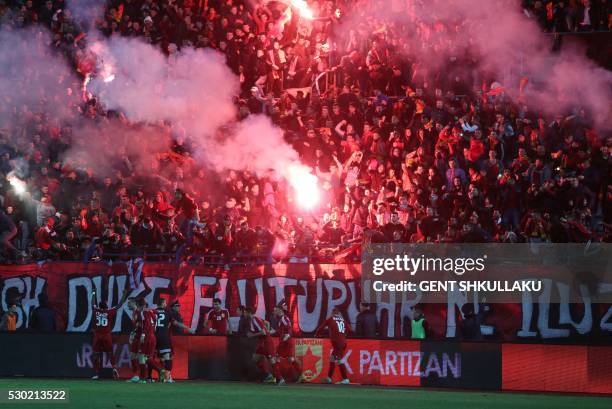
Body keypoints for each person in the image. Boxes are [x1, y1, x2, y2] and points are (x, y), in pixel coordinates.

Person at [91, 286, 129, 380]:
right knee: (110, 353)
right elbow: (119, 305)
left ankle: (96, 373)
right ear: (107, 306)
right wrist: (124, 294)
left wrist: (93, 293)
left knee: (96, 354)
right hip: (107, 336)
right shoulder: (109, 312)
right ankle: (114, 368)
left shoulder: (96, 311)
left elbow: (92, 303)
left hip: (97, 336)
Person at [154, 298, 194, 383]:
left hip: (154, 336)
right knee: (167, 357)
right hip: (164, 336)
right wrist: (188, 328)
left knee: (154, 357)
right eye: (165, 303)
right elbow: (175, 323)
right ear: (163, 303)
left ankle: (155, 376)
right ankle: (167, 377)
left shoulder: (152, 312)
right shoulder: (167, 312)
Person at [270, 302, 303, 385]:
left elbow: (289, 327)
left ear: (280, 310)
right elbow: (277, 330)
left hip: (286, 342)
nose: (274, 312)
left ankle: (278, 378)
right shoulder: (281, 319)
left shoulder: (284, 318)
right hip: (285, 342)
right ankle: (300, 375)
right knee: (290, 359)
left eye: (275, 310)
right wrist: (268, 332)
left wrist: (287, 335)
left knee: (275, 358)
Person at [315, 307, 350, 384]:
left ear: (333, 313)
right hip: (342, 342)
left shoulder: (330, 319)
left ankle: (346, 379)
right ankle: (329, 378)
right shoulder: (342, 320)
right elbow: (349, 329)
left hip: (337, 343)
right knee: (332, 358)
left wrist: (317, 334)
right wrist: (343, 335)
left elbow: (321, 328)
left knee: (338, 360)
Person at [244, 307, 275, 383]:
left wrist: (252, 335)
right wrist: (267, 332)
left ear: (249, 313)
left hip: (265, 342)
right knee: (255, 359)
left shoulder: (254, 320)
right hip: (262, 341)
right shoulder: (256, 318)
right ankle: (268, 375)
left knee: (270, 359)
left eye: (245, 313)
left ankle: (276, 377)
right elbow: (267, 323)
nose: (244, 314)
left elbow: (263, 332)